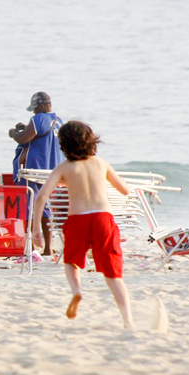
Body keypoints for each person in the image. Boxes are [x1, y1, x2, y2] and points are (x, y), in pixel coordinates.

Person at [32, 121, 135, 329]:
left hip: (78, 219)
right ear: (91, 141)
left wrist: (36, 229)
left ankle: (77, 290)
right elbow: (125, 190)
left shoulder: (64, 168)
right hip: (103, 219)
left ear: (63, 145)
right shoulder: (100, 163)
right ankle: (128, 321)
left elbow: (41, 196)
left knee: (71, 261)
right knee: (113, 275)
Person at [9, 91, 64, 255]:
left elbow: (24, 139)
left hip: (34, 170)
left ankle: (32, 247)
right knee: (45, 207)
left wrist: (13, 133)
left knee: (29, 207)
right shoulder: (59, 121)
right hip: (52, 170)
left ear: (40, 106)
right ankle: (48, 248)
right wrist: (25, 130)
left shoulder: (37, 119)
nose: (33, 112)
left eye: (34, 108)